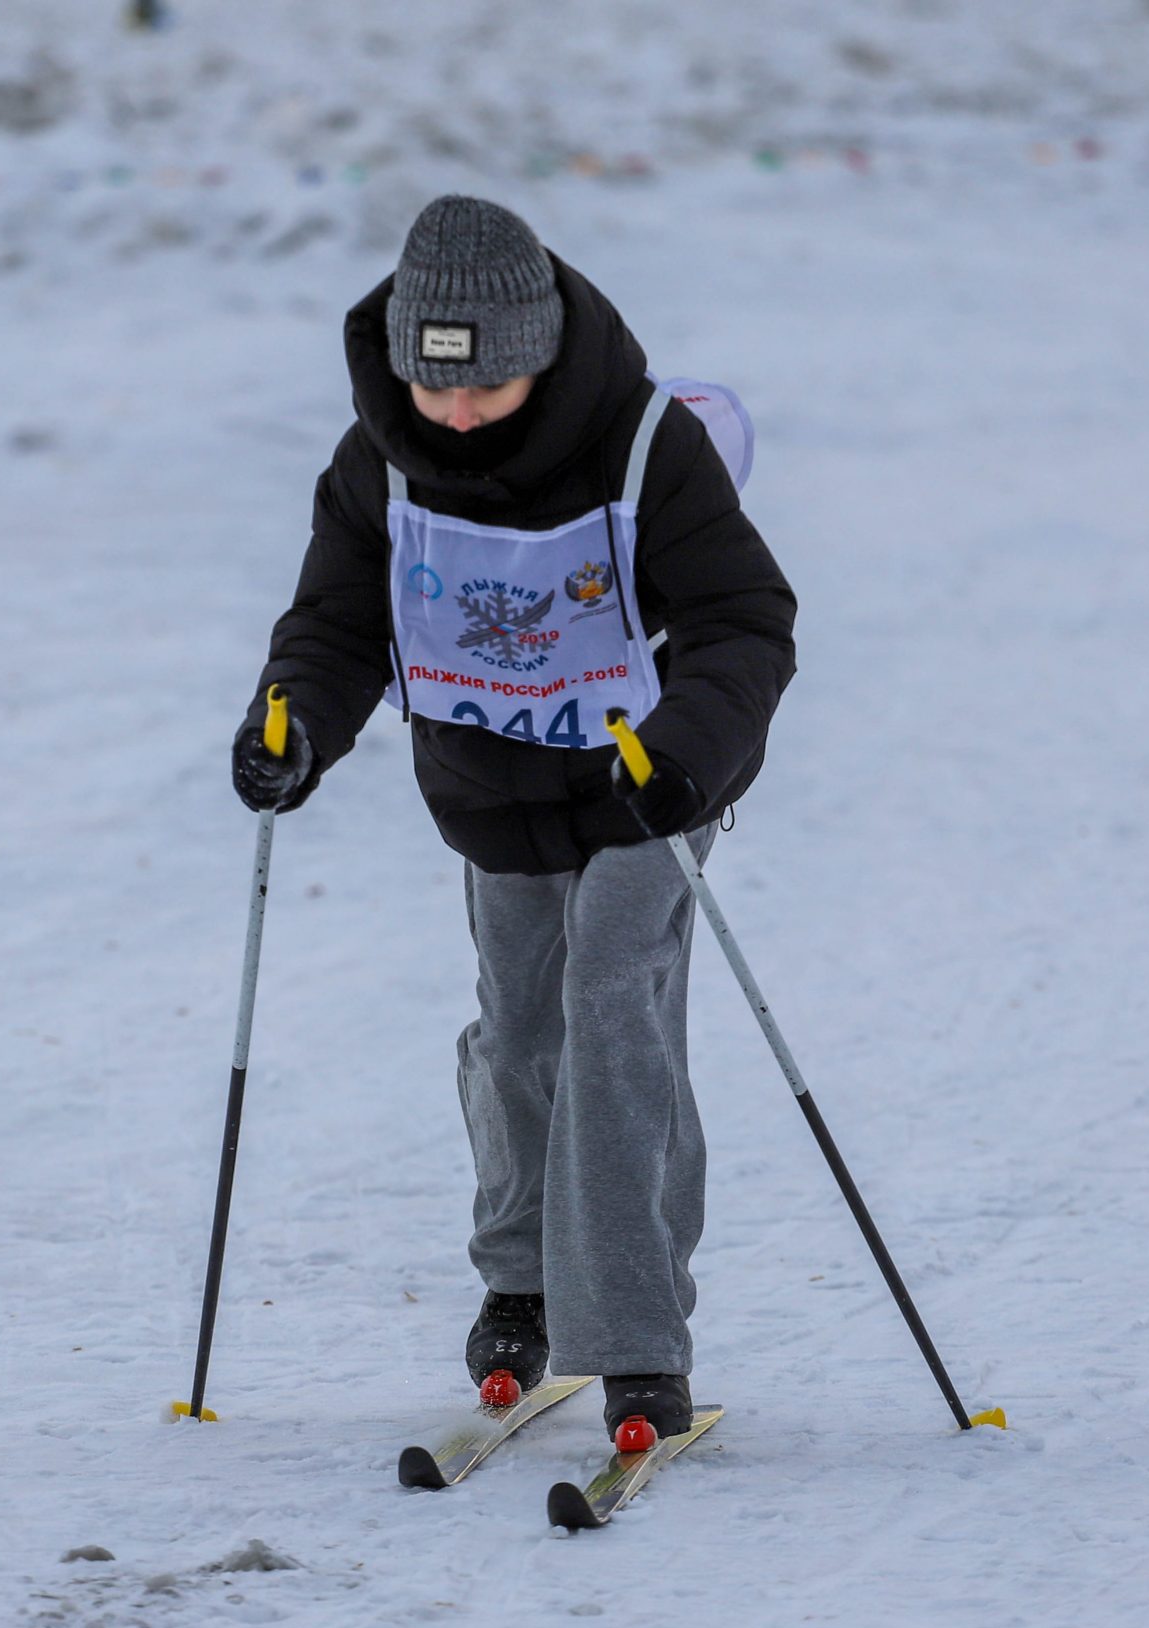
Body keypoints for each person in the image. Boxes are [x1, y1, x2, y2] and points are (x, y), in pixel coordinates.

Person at [231, 194, 796, 1448]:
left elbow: (745, 620)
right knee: (518, 1033)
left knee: (611, 1008)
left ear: (540, 351)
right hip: (488, 788)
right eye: (435, 385)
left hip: (643, 786)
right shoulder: (378, 461)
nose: (457, 411)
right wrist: (294, 723)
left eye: (487, 383)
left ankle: (637, 1339)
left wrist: (690, 755)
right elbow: (337, 623)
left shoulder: (644, 446)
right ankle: (522, 1282)